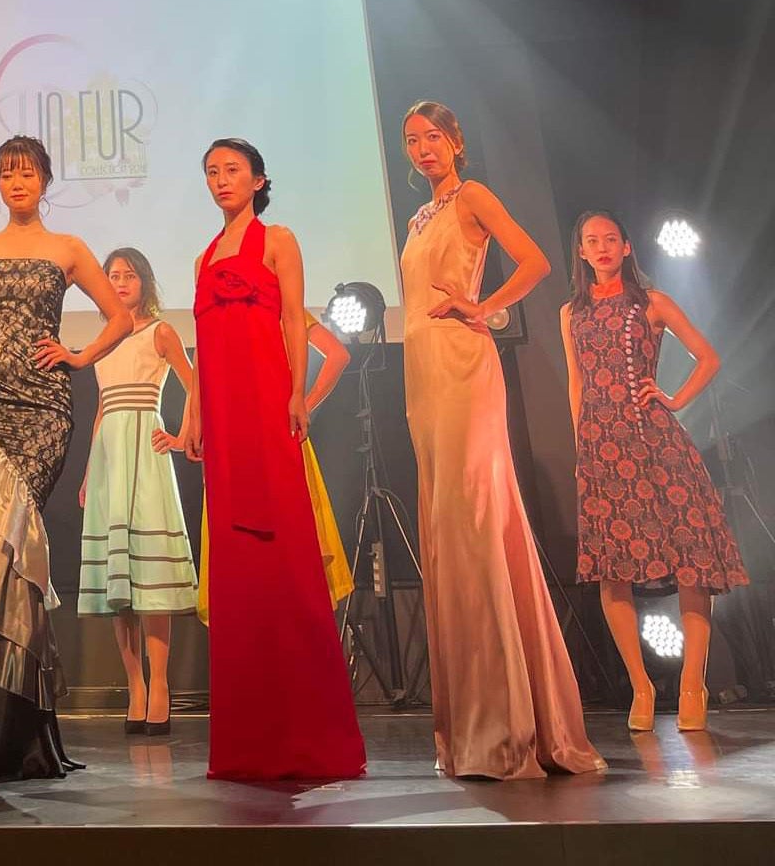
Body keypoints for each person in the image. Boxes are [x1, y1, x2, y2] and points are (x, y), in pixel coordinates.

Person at [400, 101, 603, 780]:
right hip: (423, 375)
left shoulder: (472, 195)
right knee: (449, 527)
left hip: (463, 364)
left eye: (434, 136)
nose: (424, 149)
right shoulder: (419, 216)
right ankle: (471, 723)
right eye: (412, 141)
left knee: (477, 520)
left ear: (456, 141)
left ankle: (509, 721)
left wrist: (484, 307)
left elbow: (536, 260)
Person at [0, 135, 132, 781]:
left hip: (42, 411)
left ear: (45, 180)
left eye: (28, 173)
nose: (17, 182)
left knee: (17, 551)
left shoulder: (67, 248)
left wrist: (77, 356)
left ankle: (17, 726)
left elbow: (120, 317)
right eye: (7, 173)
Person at [181, 137, 365, 781]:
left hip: (267, 406)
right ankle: (249, 743)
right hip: (224, 420)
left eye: (232, 170)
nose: (221, 180)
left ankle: (310, 734)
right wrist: (194, 415)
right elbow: (203, 345)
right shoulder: (203, 257)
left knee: (285, 554)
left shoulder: (278, 239)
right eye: (212, 171)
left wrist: (296, 393)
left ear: (259, 180)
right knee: (236, 566)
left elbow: (293, 321)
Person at [563, 210, 747, 732]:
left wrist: (674, 398)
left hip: (657, 443)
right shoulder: (570, 312)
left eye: (610, 239)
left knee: (691, 559)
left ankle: (692, 683)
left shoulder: (652, 302)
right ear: (581, 252)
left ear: (626, 247)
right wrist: (582, 448)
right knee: (613, 569)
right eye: (591, 241)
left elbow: (708, 357)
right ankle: (641, 686)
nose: (601, 247)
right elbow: (577, 384)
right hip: (602, 449)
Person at [76, 247, 198, 734]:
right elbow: (101, 410)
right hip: (109, 456)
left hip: (145, 453)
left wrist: (183, 435)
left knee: (149, 579)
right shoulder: (103, 341)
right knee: (118, 582)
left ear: (144, 281)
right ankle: (135, 686)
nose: (121, 282)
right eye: (112, 276)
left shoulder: (159, 332)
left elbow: (197, 384)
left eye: (129, 275)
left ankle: (161, 683)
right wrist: (90, 472)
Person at [195, 311, 356, 624]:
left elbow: (338, 355)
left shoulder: (281, 310)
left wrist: (303, 404)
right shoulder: (229, 314)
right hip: (238, 439)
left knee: (286, 554)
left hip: (273, 436)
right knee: (256, 558)